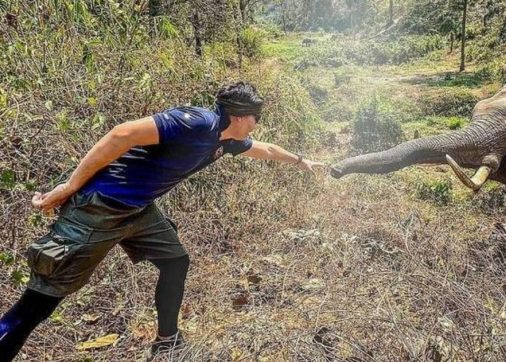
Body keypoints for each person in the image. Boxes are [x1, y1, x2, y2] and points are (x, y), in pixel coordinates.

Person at [0, 82, 323, 360]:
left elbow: (265, 149)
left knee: (175, 262)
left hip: (139, 211)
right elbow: (122, 133)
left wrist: (301, 161)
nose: (256, 125)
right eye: (256, 117)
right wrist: (70, 186)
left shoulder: (225, 141)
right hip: (98, 210)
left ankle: (168, 341)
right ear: (240, 115)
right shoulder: (197, 122)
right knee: (39, 303)